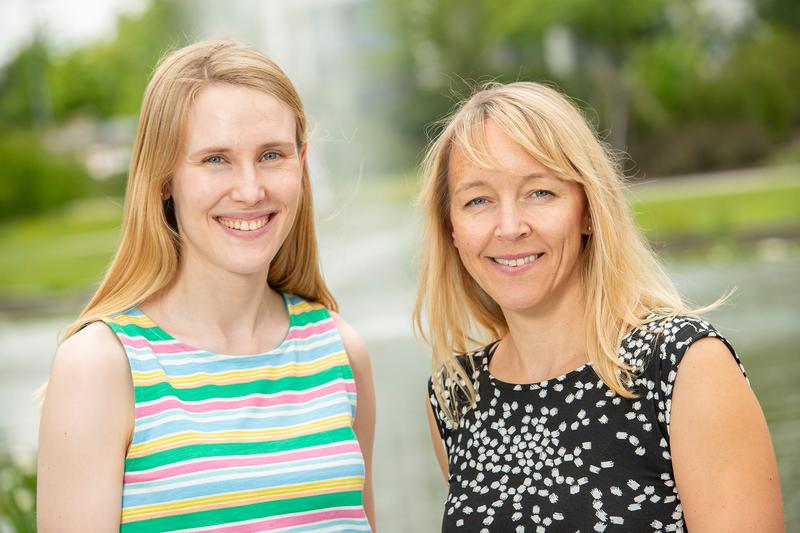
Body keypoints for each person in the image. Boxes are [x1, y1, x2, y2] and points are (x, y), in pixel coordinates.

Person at [37, 40, 375, 532]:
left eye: (271, 155)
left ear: (302, 162)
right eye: (216, 159)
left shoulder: (340, 350)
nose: (250, 189)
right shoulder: (102, 367)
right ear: (164, 177)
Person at [415, 81, 784, 532]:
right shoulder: (457, 396)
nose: (509, 227)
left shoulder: (683, 365)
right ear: (451, 228)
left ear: (588, 209)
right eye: (478, 201)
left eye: (540, 193)